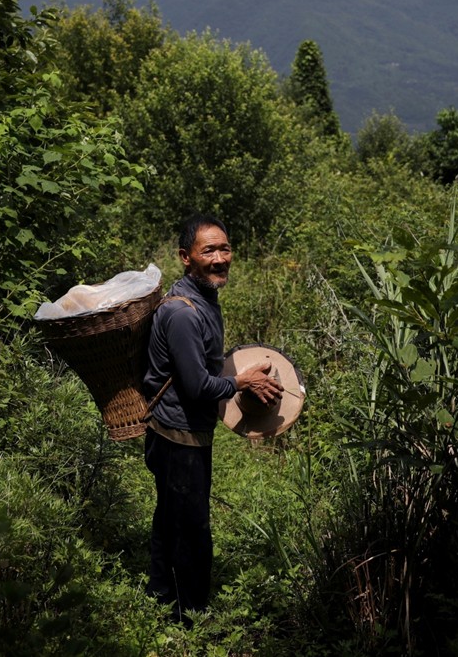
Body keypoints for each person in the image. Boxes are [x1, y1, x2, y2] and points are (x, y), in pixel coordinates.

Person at [142, 212, 283, 625]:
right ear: (186, 257)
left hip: (183, 433)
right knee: (191, 530)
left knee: (171, 520)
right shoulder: (185, 314)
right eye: (209, 251)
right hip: (177, 437)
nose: (220, 258)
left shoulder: (204, 299)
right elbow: (198, 387)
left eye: (225, 248)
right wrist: (242, 383)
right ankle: (193, 618)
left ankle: (160, 598)